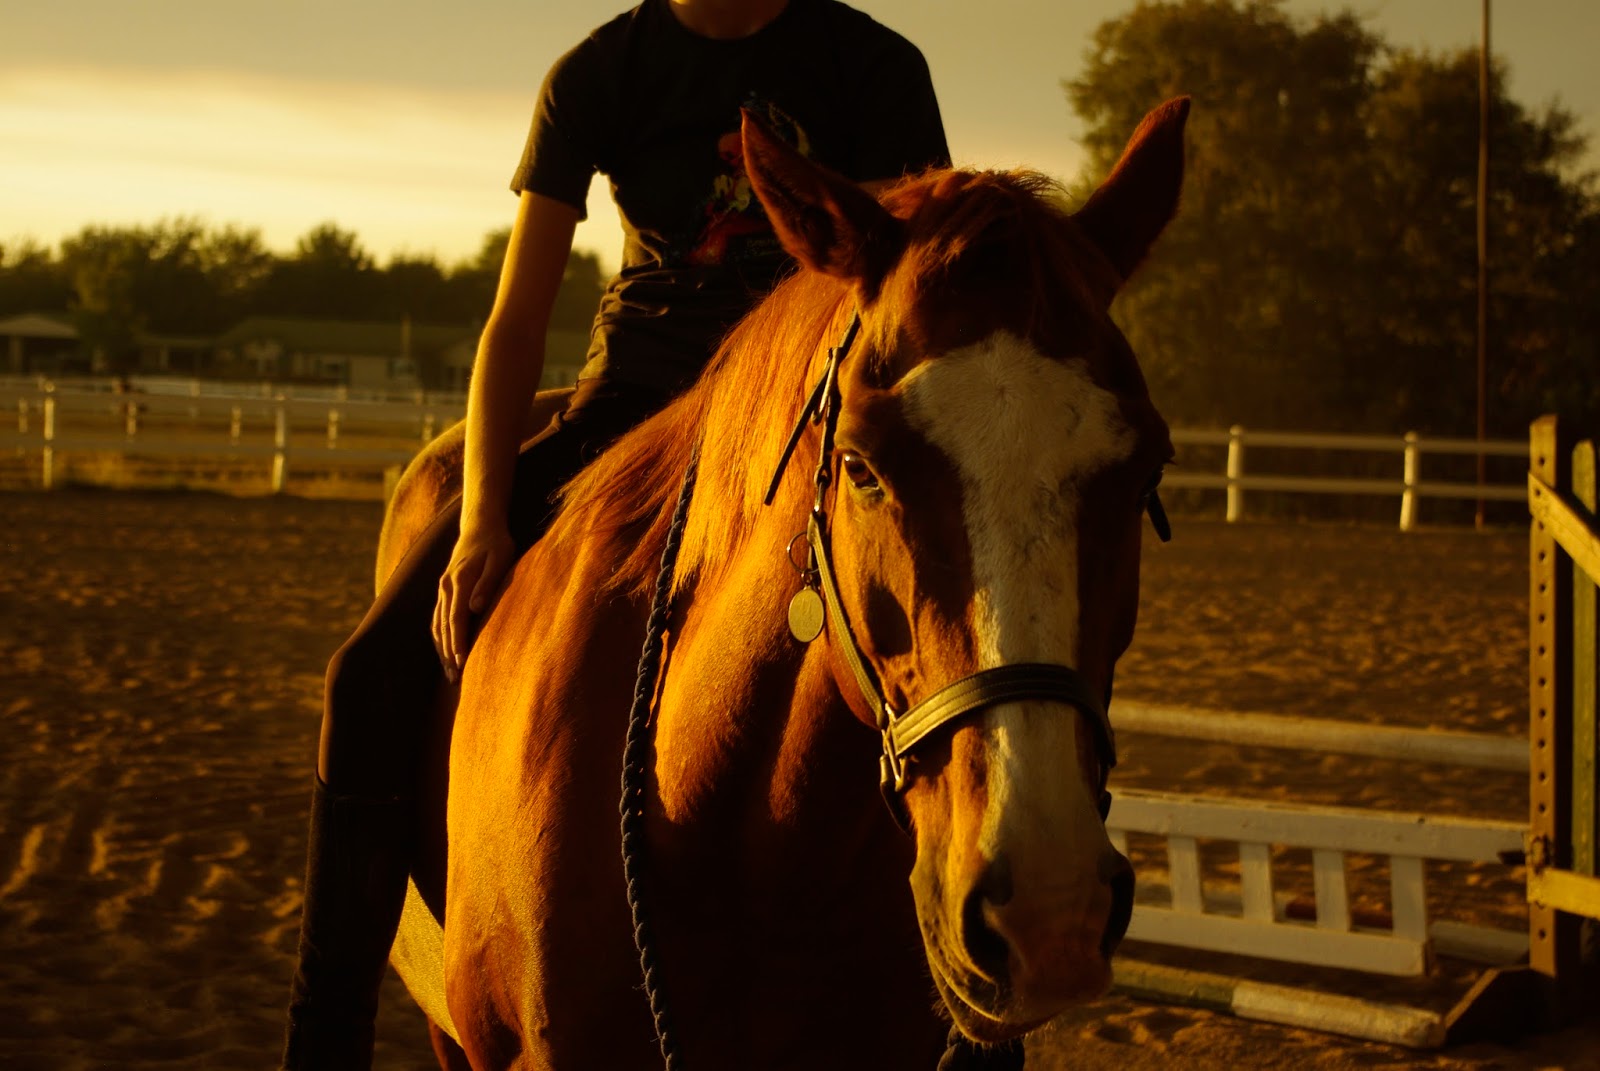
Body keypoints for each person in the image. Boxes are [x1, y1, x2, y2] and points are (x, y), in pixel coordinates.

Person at [281, 0, 948, 1066]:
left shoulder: (873, 65)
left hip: (801, 420)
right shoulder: (599, 73)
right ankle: (326, 1037)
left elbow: (926, 290)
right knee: (364, 678)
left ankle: (978, 1015)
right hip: (631, 403)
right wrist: (482, 520)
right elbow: (516, 318)